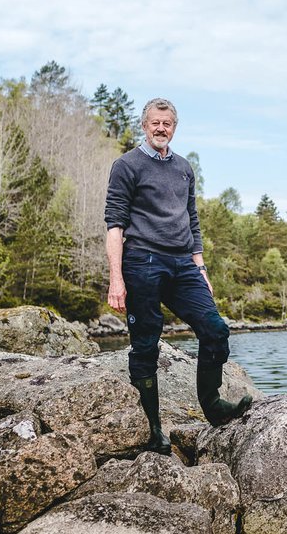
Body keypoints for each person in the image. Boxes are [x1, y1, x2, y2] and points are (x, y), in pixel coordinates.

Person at [105, 97, 252, 455]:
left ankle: (214, 406)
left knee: (215, 329)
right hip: (142, 261)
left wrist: (200, 266)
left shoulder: (184, 168)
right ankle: (154, 431)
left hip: (183, 264)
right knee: (146, 343)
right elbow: (114, 224)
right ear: (144, 125)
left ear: (174, 128)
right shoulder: (126, 165)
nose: (161, 128)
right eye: (155, 122)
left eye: (167, 123)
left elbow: (192, 219)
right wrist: (116, 278)